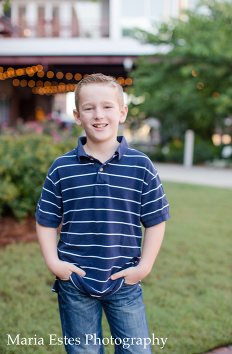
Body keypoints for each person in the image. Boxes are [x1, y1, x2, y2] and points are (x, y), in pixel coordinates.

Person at [36, 73, 170, 353]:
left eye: (107, 106)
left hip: (125, 280)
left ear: (122, 112)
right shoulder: (62, 167)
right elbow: (46, 220)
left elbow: (156, 220)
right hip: (74, 281)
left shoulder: (141, 166)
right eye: (89, 108)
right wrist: (55, 264)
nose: (99, 115)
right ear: (77, 115)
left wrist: (143, 268)